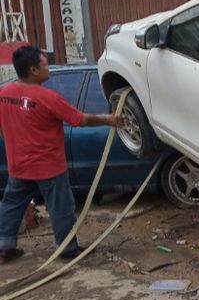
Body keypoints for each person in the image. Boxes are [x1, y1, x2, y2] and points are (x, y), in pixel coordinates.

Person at [0, 46, 122, 264]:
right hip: (48, 166)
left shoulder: (4, 94)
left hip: (18, 164)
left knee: (11, 205)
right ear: (33, 70)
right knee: (61, 207)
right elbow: (81, 120)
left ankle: (4, 247)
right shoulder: (48, 98)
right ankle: (67, 249)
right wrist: (109, 119)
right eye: (45, 64)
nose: (48, 67)